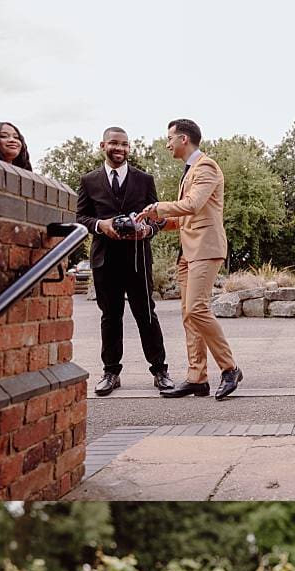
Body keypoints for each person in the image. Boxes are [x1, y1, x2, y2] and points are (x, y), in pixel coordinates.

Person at [139, 119, 242, 401]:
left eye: (169, 138)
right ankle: (197, 378)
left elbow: (193, 205)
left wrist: (156, 208)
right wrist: (158, 223)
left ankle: (230, 369)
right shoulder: (189, 171)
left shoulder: (206, 167)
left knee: (197, 308)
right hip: (187, 252)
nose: (167, 144)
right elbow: (185, 217)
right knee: (189, 315)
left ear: (183, 139)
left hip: (205, 249)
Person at [75, 127, 172, 395]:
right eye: (114, 143)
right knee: (110, 317)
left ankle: (160, 371)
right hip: (105, 260)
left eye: (125, 144)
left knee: (146, 315)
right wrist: (101, 225)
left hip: (138, 258)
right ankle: (111, 373)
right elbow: (80, 217)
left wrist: (148, 229)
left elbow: (158, 217)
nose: (120, 148)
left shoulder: (145, 179)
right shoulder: (88, 180)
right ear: (103, 145)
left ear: (129, 148)